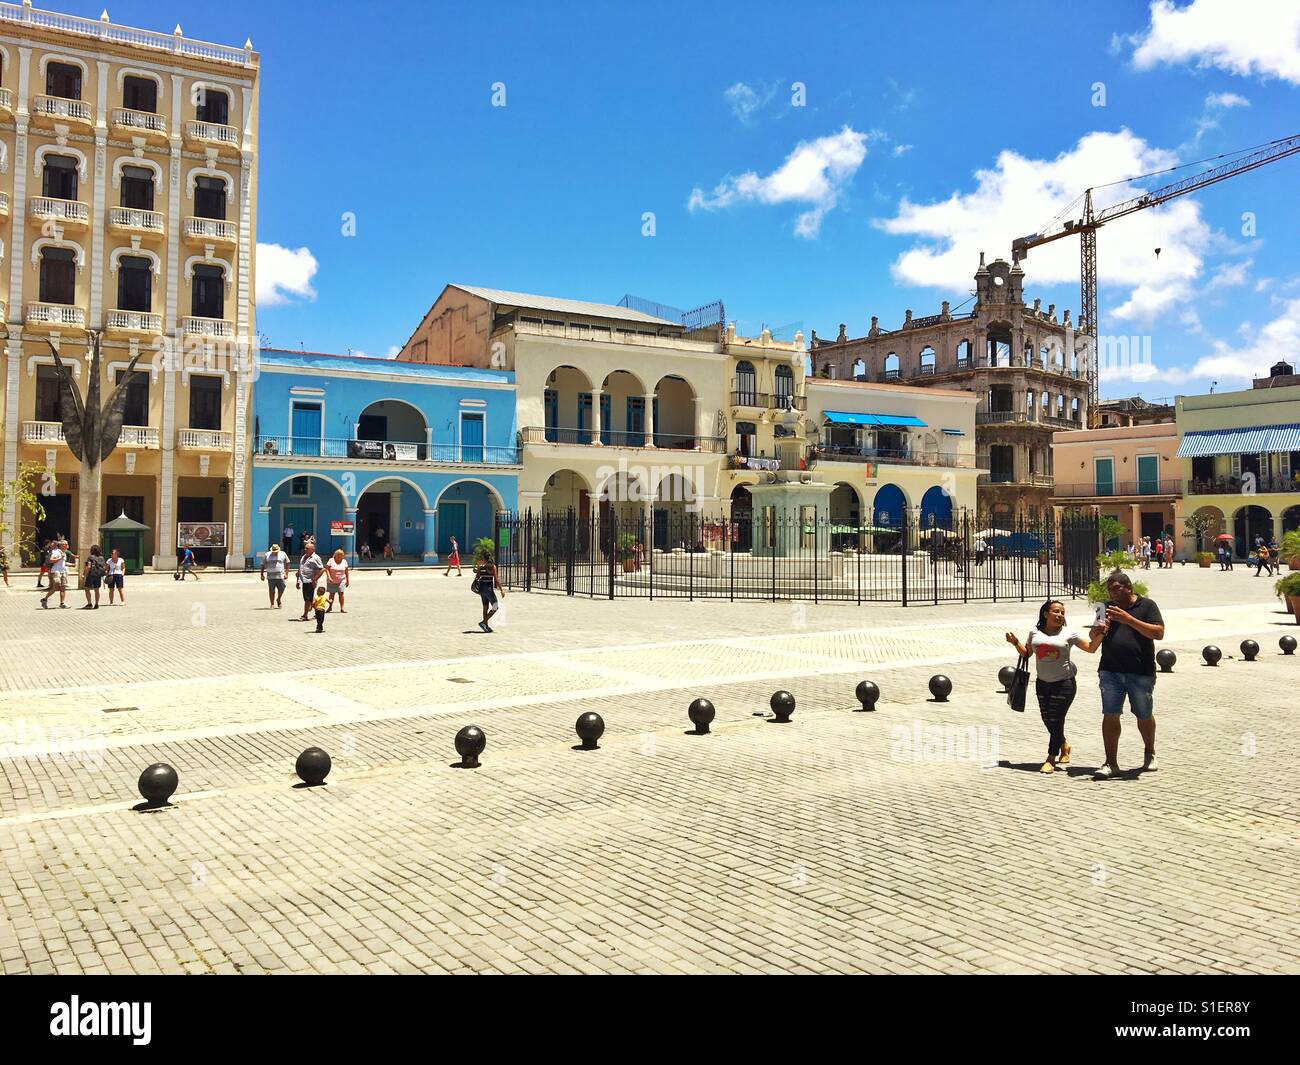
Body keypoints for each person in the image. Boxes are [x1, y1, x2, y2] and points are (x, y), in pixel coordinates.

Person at [1006, 599, 1105, 774]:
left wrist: (1101, 634)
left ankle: (1051, 758)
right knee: (1047, 719)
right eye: (1056, 612)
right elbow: (1027, 653)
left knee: (1057, 719)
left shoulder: (1069, 634)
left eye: (1062, 613)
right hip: (1042, 683)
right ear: (1046, 614)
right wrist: (1015, 642)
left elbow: (1090, 648)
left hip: (1064, 684)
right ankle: (1064, 744)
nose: (1060, 615)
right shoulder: (1034, 633)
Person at [1093, 572, 1165, 780]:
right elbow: (1093, 636)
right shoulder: (1103, 607)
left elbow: (1158, 633)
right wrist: (1099, 629)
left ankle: (1149, 752)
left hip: (1140, 671)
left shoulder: (1147, 606)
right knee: (1110, 714)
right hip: (1110, 669)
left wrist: (1128, 619)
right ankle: (1110, 763)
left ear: (1129, 588)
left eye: (1116, 588)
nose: (1112, 593)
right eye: (1109, 589)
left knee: (1143, 714)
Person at [473, 545, 505, 633]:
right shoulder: (492, 567)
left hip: (481, 589)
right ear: (489, 557)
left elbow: (477, 576)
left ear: (483, 558)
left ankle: (485, 626)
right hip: (489, 588)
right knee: (495, 606)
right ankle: (483, 622)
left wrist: (477, 568)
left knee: (485, 607)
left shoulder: (481, 566)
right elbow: (496, 579)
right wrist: (501, 590)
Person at [296, 537, 325, 622]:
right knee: (308, 598)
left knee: (308, 599)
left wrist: (315, 579)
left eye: (307, 548)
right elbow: (300, 568)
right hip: (304, 580)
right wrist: (297, 580)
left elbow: (322, 569)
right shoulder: (304, 557)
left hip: (310, 581)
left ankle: (305, 615)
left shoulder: (316, 557)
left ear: (312, 549)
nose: (305, 549)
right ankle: (317, 611)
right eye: (305, 548)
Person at [40, 539, 70, 609]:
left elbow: (63, 563)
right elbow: (51, 560)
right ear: (61, 545)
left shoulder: (64, 553)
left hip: (63, 572)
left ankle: (62, 603)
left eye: (67, 544)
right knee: (56, 587)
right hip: (56, 571)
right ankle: (45, 599)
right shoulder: (55, 552)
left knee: (63, 587)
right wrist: (60, 558)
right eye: (65, 544)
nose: (67, 545)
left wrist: (72, 564)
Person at [261, 543, 289, 608]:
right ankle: (272, 604)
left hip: (280, 575)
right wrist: (262, 574)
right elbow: (262, 564)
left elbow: (287, 562)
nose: (275, 552)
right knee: (271, 590)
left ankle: (278, 599)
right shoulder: (267, 555)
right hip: (270, 576)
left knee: (282, 588)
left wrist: (286, 573)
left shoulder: (283, 554)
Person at [81, 544, 106, 609]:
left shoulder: (90, 557)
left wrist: (84, 574)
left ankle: (89, 603)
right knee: (97, 590)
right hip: (98, 575)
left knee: (87, 588)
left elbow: (88, 567)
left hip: (91, 575)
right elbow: (104, 567)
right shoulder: (102, 558)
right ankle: (97, 604)